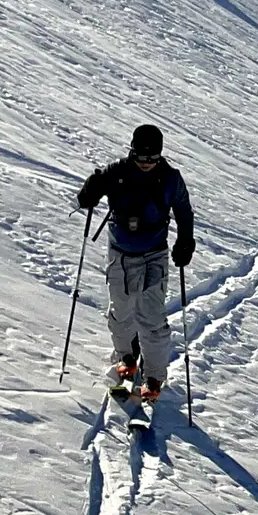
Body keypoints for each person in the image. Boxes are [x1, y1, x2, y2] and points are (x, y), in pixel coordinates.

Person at [77, 124, 194, 402]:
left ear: (160, 156)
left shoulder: (170, 179)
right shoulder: (117, 173)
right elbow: (85, 200)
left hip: (155, 253)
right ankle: (127, 357)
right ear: (132, 152)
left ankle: (154, 376)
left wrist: (185, 241)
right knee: (121, 312)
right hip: (120, 253)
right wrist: (89, 190)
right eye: (141, 158)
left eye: (152, 159)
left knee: (152, 318)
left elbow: (184, 211)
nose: (146, 164)